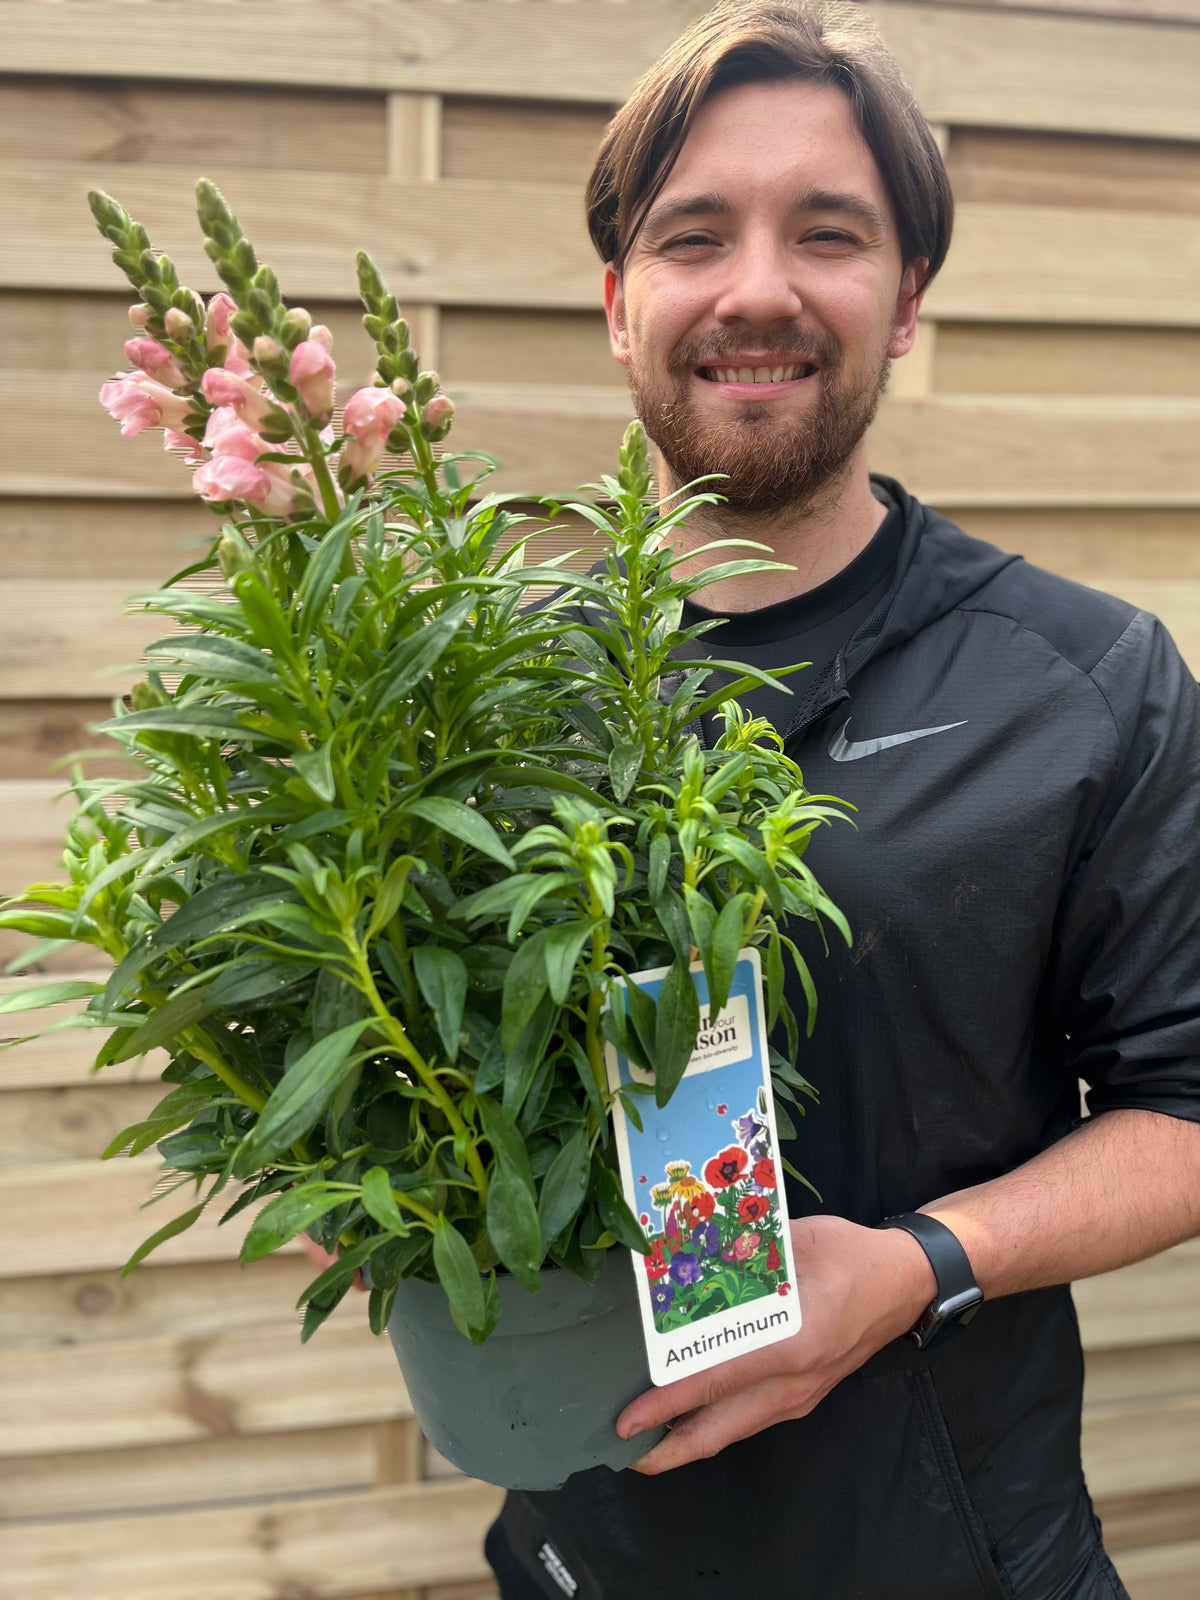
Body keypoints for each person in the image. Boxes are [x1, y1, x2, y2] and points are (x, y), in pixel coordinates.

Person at [483, 4, 1200, 1598]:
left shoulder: (1083, 684)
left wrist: (924, 1264)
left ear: (909, 297)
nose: (758, 288)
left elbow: (1190, 1107)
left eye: (828, 233)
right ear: (617, 302)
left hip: (960, 1553)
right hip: (581, 1551)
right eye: (693, 236)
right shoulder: (489, 701)